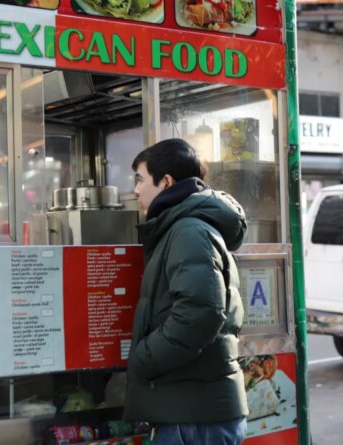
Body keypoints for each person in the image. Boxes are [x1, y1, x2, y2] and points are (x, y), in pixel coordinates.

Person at [124, 138, 248, 444]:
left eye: (140, 180)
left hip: (196, 420)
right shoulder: (182, 227)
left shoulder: (189, 230)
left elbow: (201, 314)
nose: (135, 190)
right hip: (195, 413)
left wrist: (142, 358)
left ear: (166, 182)